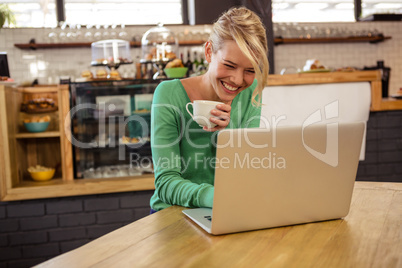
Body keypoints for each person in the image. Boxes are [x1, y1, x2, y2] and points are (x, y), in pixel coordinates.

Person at [149, 6, 269, 212]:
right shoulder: (168, 93)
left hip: (225, 209)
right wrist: (214, 197)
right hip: (173, 213)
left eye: (250, 70)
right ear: (208, 52)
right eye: (229, 65)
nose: (238, 80)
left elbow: (247, 170)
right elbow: (165, 183)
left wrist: (227, 135)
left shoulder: (251, 95)